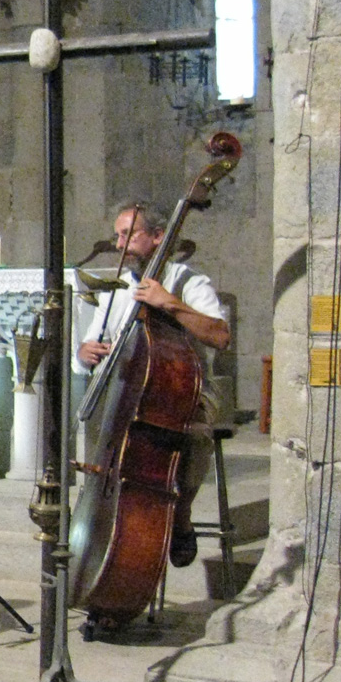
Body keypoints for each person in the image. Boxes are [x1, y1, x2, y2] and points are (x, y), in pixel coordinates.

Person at [75, 201, 231, 567]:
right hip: (124, 391)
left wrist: (171, 303)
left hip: (181, 395)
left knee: (192, 434)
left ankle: (181, 514)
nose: (118, 244)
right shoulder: (116, 286)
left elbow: (221, 336)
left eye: (128, 234)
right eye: (117, 235)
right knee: (100, 431)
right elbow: (88, 346)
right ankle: (106, 534)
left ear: (159, 237)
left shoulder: (188, 282)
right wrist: (85, 353)